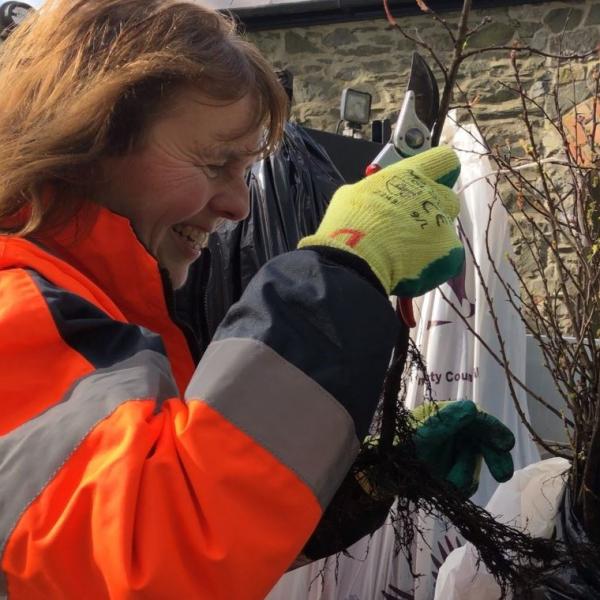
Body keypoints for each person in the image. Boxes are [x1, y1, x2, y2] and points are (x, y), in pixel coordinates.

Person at [0, 1, 515, 598]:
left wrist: (356, 481)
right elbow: (152, 565)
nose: (239, 206)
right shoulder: (18, 309)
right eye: (217, 163)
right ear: (86, 140)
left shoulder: (95, 317)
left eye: (245, 171)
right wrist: (340, 269)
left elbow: (161, 548)